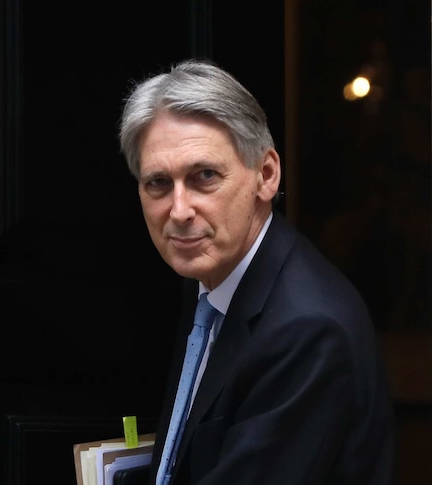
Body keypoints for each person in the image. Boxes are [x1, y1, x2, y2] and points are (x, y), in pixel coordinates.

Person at [117, 59, 394, 485]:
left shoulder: (306, 330)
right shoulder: (212, 276)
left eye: (204, 176)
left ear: (266, 175)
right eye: (157, 183)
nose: (179, 210)